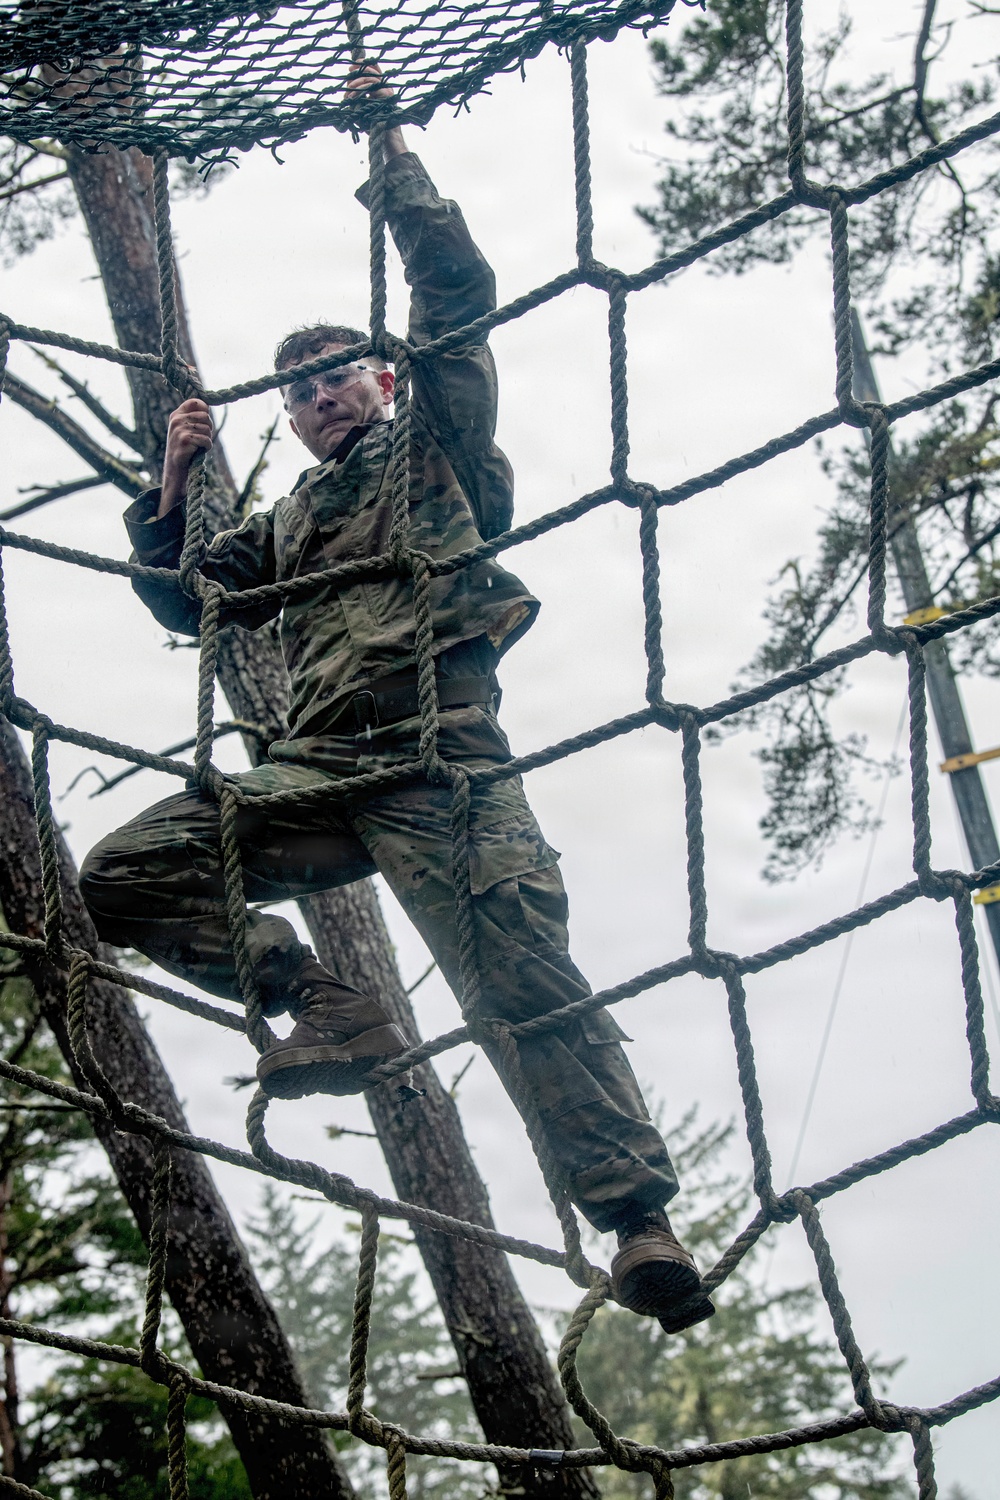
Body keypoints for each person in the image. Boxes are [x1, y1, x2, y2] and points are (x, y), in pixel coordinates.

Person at [79, 82, 714, 1335]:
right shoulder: (294, 520)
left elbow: (456, 304)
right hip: (317, 771)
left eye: (334, 373)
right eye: (297, 386)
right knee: (127, 871)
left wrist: (392, 161)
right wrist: (171, 477)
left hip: (440, 763)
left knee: (521, 977)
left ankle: (636, 1217)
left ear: (375, 380)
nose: (318, 393)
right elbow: (188, 603)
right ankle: (319, 996)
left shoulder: (439, 445)